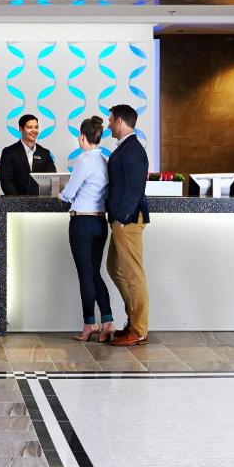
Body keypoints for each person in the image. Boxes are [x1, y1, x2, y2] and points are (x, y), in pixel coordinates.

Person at [58, 116, 114, 342]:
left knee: (85, 275)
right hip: (100, 222)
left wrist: (60, 194)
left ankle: (89, 324)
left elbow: (69, 194)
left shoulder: (83, 160)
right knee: (94, 273)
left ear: (82, 137)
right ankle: (108, 321)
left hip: (82, 222)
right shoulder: (104, 160)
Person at [104, 104, 150, 346]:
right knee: (115, 268)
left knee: (133, 275)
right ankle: (133, 322)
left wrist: (121, 218)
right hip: (122, 219)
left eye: (110, 120)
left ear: (120, 121)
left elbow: (134, 187)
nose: (108, 124)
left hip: (128, 220)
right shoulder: (126, 148)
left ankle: (139, 329)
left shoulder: (131, 150)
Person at [0, 114, 57, 195]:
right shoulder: (9, 152)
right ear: (21, 129)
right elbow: (6, 181)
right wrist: (19, 202)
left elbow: (52, 179)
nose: (34, 130)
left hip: (41, 203)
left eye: (36, 127)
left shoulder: (45, 153)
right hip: (17, 203)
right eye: (30, 127)